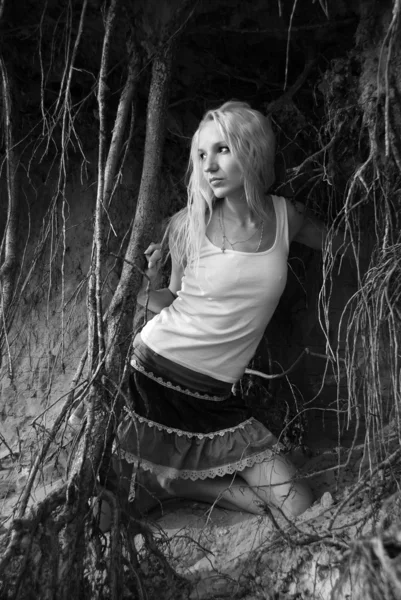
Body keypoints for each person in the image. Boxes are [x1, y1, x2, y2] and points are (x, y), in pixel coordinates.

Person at [99, 100, 336, 529]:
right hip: (153, 378)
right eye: (202, 155)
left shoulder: (287, 218)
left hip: (215, 400)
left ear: (252, 150)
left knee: (297, 502)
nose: (209, 166)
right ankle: (165, 484)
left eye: (222, 150)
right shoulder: (187, 224)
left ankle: (179, 486)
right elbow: (168, 302)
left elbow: (347, 245)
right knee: (106, 512)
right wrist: (149, 281)